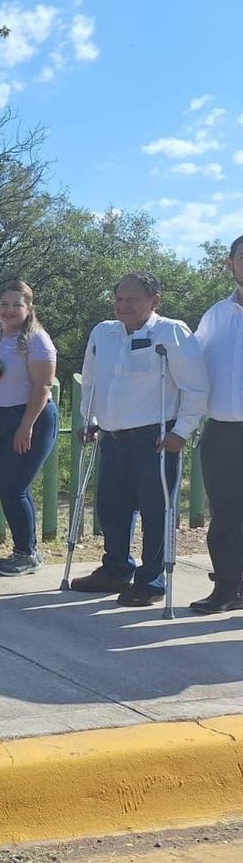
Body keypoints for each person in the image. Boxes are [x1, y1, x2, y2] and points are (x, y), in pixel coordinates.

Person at [69, 273, 208, 606]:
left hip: (154, 437)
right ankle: (115, 570)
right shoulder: (103, 332)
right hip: (112, 435)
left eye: (132, 300)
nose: (123, 306)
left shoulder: (171, 332)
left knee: (155, 510)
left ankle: (152, 580)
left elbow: (196, 386)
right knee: (111, 508)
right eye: (119, 299)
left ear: (154, 301)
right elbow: (90, 381)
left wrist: (181, 431)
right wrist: (92, 421)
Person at [0, 280, 58, 576]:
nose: (9, 311)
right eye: (3, 305)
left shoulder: (37, 340)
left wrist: (26, 426)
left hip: (27, 418)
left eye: (16, 305)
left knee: (14, 489)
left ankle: (27, 552)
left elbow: (43, 385)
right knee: (9, 488)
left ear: (28, 308)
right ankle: (25, 548)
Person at [191, 236, 243, 614]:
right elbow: (193, 367)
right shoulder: (214, 315)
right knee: (225, 515)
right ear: (230, 263)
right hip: (222, 431)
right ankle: (227, 588)